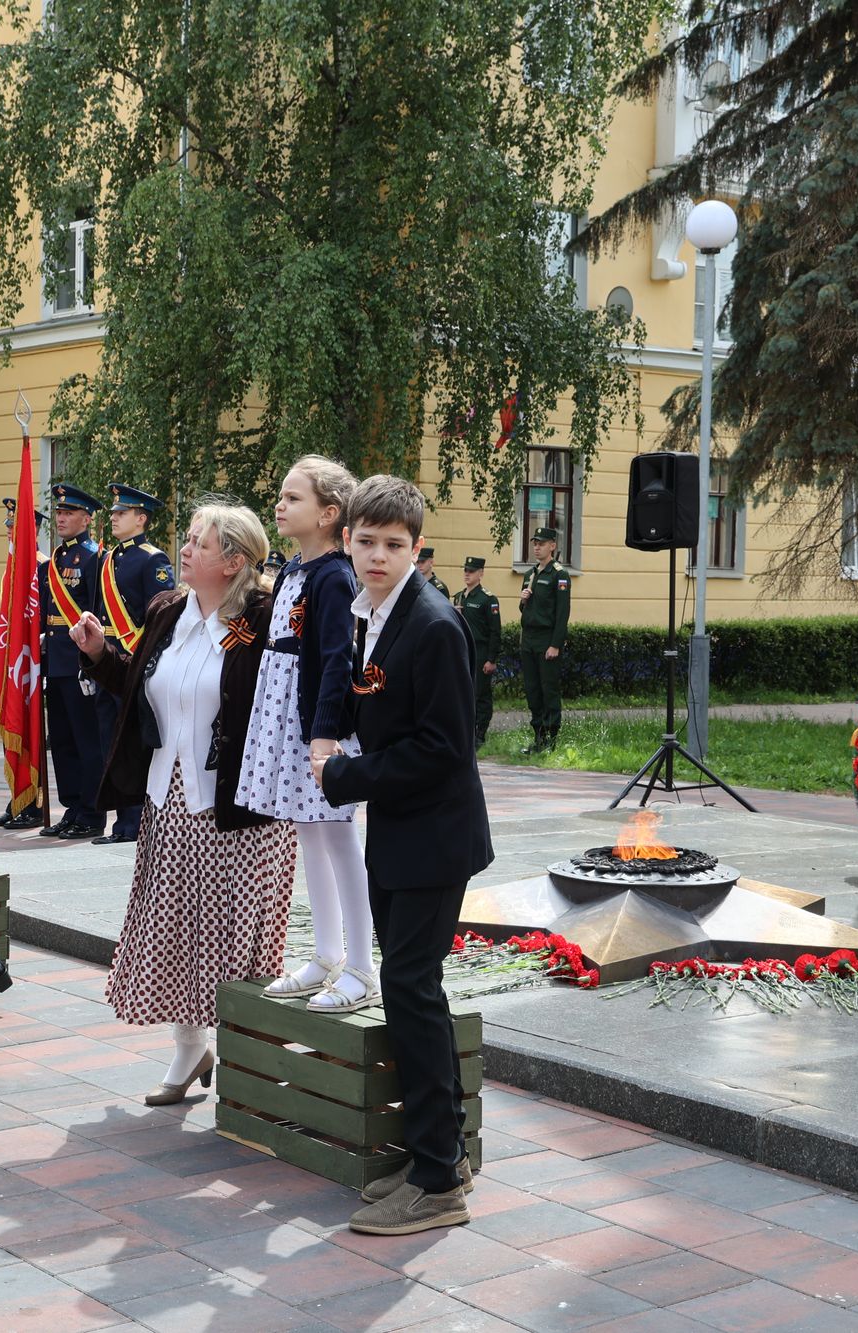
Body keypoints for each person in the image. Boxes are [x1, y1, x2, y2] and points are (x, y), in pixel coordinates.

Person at [313, 474, 493, 1237]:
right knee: (414, 989)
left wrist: (346, 774)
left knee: (411, 988)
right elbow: (359, 693)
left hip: (434, 837)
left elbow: (445, 746)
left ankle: (437, 1181)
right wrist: (326, 739)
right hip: (398, 830)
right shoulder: (370, 612)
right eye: (366, 541)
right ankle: (440, 1153)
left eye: (394, 544)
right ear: (347, 541)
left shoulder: (434, 623)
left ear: (417, 548)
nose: (378, 555)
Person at [71, 501, 291, 1104]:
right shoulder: (169, 610)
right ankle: (190, 1049)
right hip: (167, 796)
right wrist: (101, 654)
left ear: (234, 562)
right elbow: (146, 690)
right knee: (175, 929)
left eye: (199, 542)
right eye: (188, 538)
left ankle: (251, 1062)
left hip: (236, 803)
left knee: (235, 936)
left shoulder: (264, 617)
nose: (185, 550)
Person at [237, 457, 378, 1014]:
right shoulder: (295, 570)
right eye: (282, 495)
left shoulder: (334, 576)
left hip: (315, 728)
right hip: (286, 719)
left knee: (338, 836)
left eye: (293, 498)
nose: (280, 505)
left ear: (328, 514)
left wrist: (324, 735)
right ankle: (326, 954)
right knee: (309, 833)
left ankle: (362, 966)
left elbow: (336, 660)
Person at [92, 483, 176, 845]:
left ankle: (136, 822)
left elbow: (161, 615)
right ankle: (121, 822)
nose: (113, 518)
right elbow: (98, 610)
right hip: (108, 659)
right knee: (108, 741)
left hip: (134, 661)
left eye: (121, 513)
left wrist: (148, 661)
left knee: (133, 743)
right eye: (113, 512)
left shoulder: (153, 559)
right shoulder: (108, 559)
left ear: (141, 519)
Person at [38, 484, 107, 841]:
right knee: (63, 741)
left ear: (86, 518)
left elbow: (97, 608)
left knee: (86, 741)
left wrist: (92, 660)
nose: (61, 519)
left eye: (69, 513)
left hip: (79, 660)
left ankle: (92, 813)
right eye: (59, 513)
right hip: (56, 660)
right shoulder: (56, 559)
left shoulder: (94, 558)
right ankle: (72, 807)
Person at [0, 496, 49, 832]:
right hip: (14, 662)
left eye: (15, 525)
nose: (9, 530)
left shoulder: (41, 565)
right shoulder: (13, 563)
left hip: (32, 663)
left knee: (31, 730)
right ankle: (16, 802)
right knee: (15, 727)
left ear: (31, 529)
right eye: (8, 524)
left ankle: (34, 805)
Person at [518, 527, 571, 753]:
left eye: (541, 543)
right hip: (529, 640)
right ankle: (538, 738)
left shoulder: (559, 574)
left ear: (552, 546)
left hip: (546, 639)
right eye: (535, 543)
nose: (537, 547)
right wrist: (523, 600)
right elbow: (524, 609)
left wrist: (555, 644)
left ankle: (551, 739)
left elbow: (562, 613)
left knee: (548, 690)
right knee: (532, 690)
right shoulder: (529, 575)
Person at [456, 556, 502, 748]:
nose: (467, 574)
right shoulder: (459, 597)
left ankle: (480, 733)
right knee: (463, 693)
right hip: (463, 651)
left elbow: (495, 631)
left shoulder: (487, 599)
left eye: (472, 571)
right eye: (465, 570)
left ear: (481, 573)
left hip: (480, 651)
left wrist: (491, 659)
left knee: (480, 694)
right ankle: (466, 731)